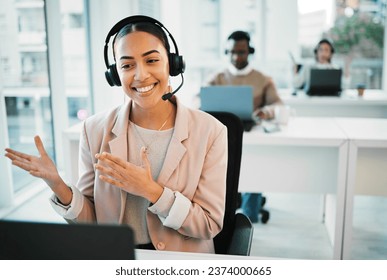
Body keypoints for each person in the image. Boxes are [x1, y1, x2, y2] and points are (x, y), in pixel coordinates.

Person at [4, 15, 228, 254]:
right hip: (117, 257)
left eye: (151, 60)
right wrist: (57, 185)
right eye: (127, 65)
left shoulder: (210, 131)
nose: (140, 75)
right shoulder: (94, 130)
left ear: (172, 64)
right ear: (115, 75)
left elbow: (208, 224)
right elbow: (92, 224)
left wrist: (151, 191)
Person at [206, 30, 283, 223]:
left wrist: (266, 111)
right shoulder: (217, 78)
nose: (236, 57)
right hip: (222, 136)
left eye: (241, 52)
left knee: (254, 169)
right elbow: (199, 98)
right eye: (232, 52)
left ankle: (248, 219)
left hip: (252, 135)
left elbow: (277, 105)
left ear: (250, 51)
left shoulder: (263, 79)